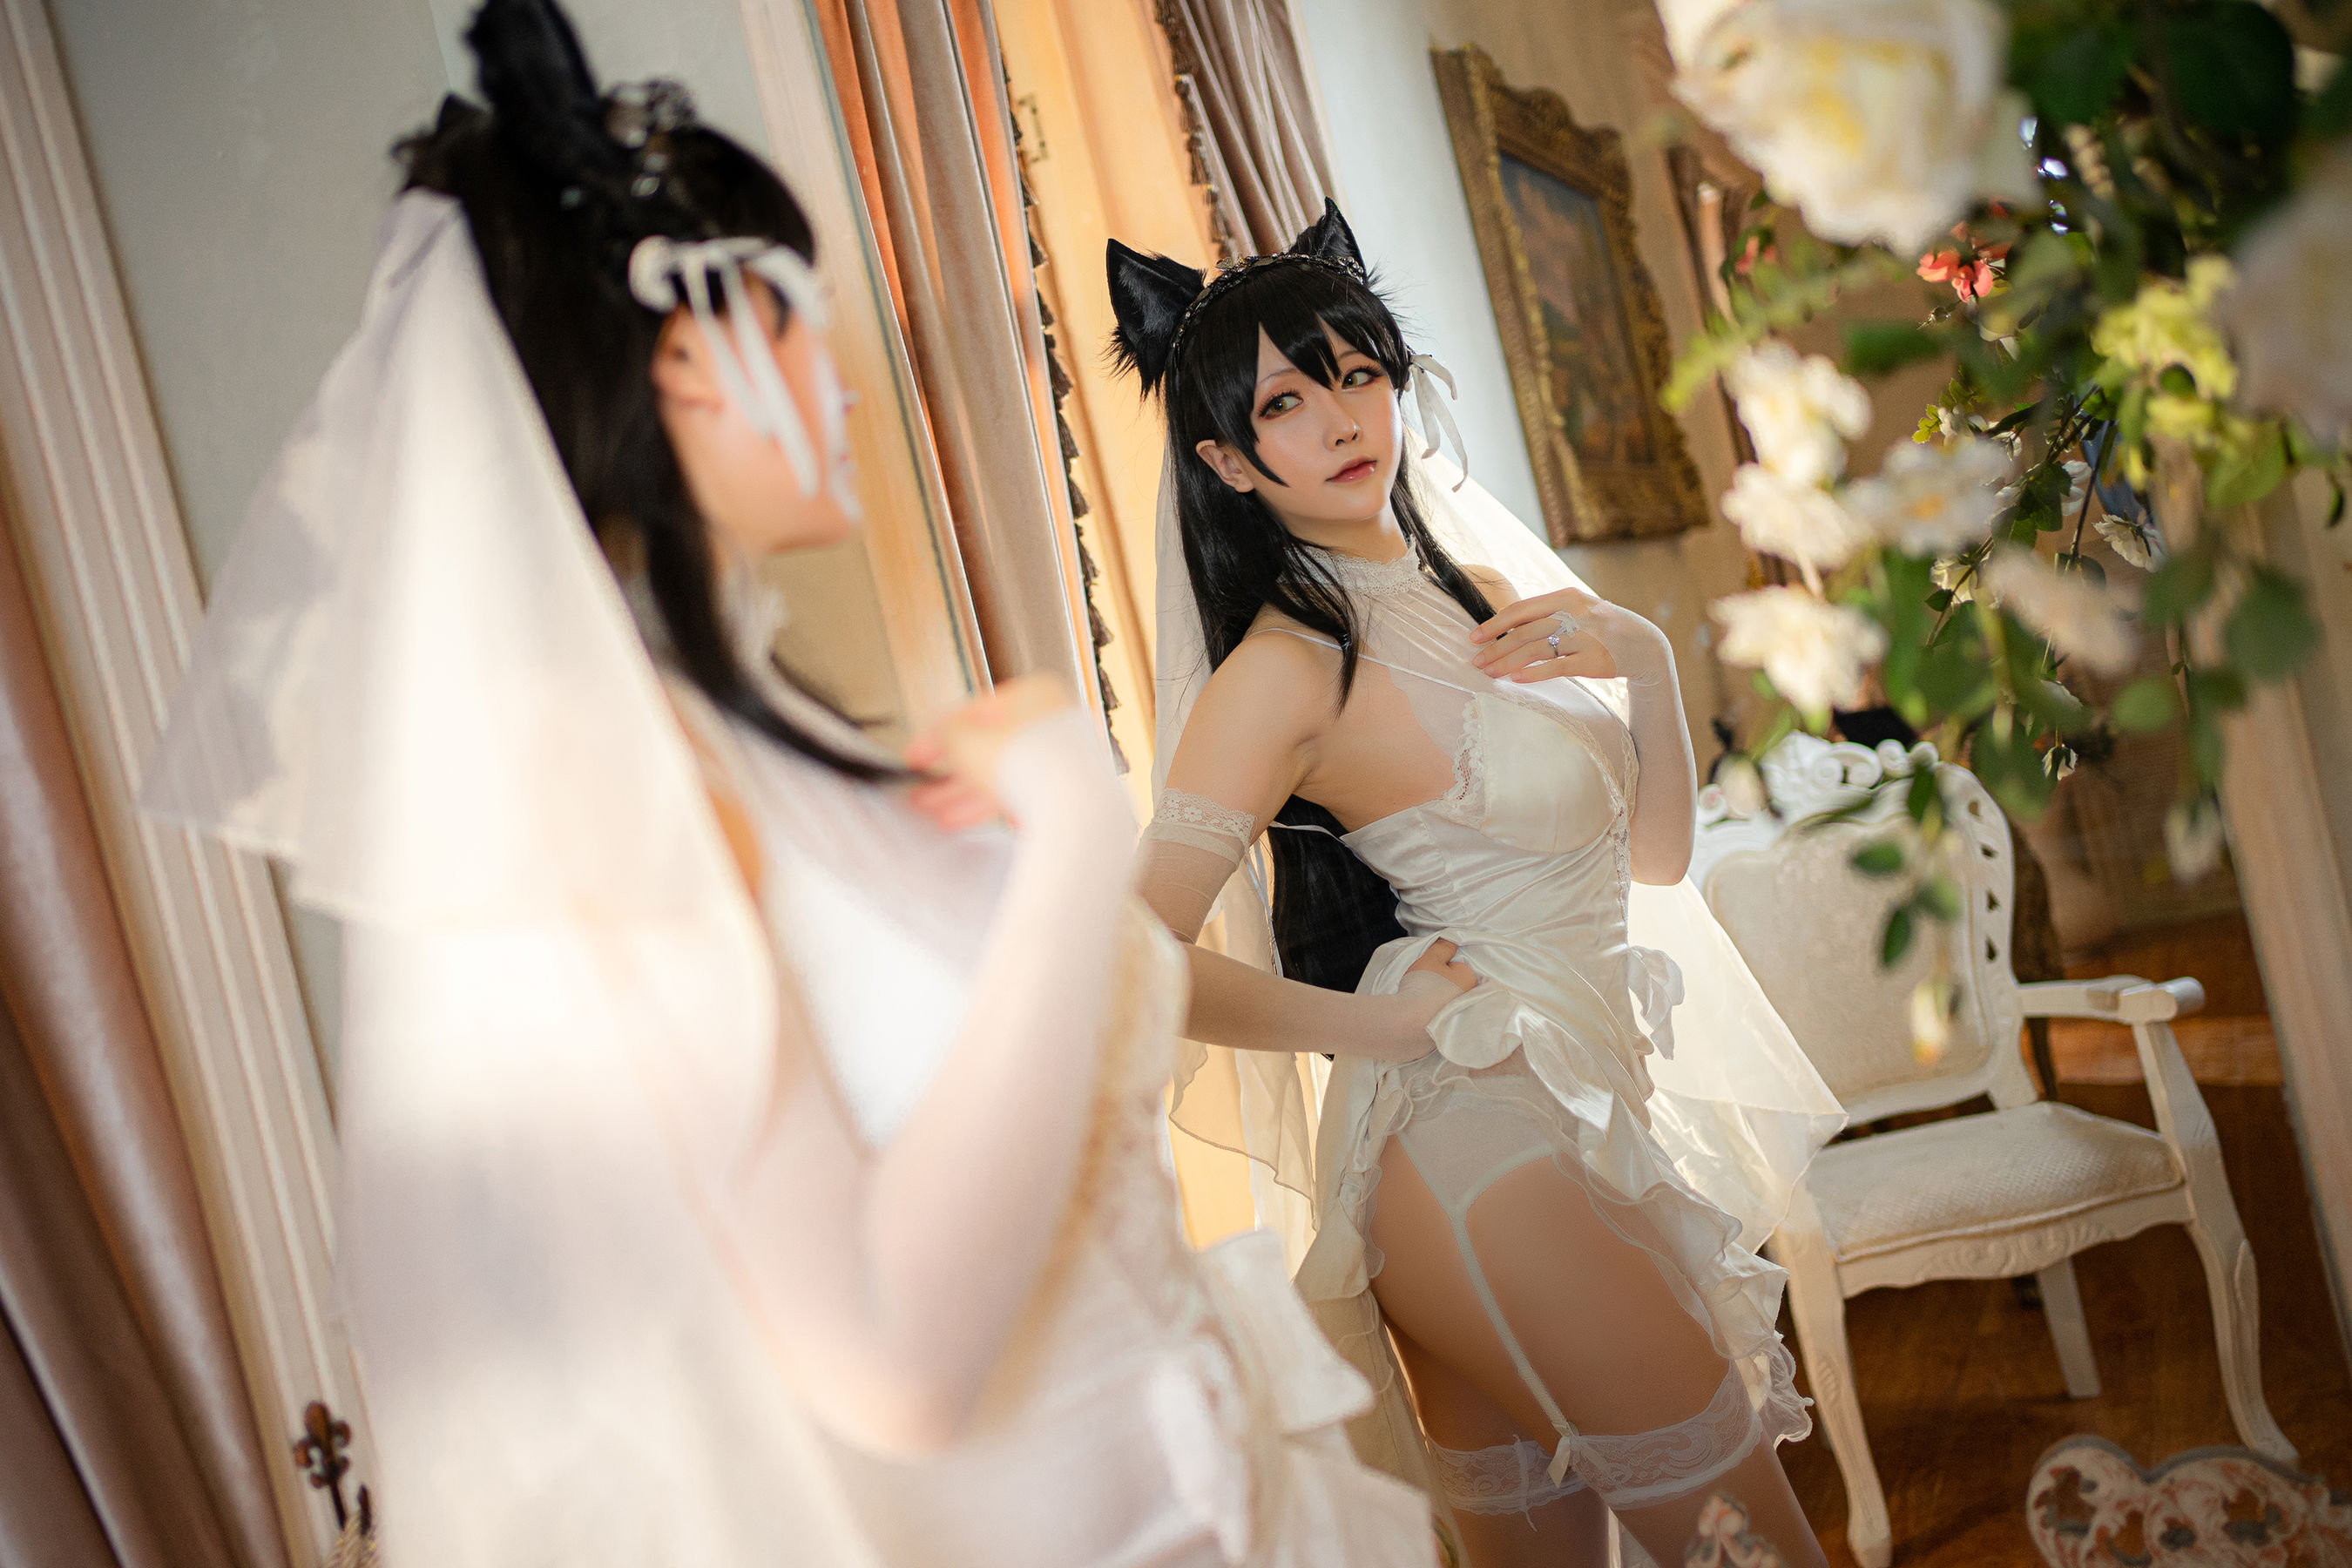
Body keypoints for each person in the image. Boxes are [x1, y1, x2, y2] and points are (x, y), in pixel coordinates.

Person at [141, 5, 1439, 1565]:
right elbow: (888, 1359)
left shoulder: (774, 742)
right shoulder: (612, 801)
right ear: (680, 360)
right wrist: (1062, 844)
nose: (840, 384)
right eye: (795, 324)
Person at [1111, 205, 1846, 1568]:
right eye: (1285, 402)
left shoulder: (1484, 588)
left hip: (1572, 1108)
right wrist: (1382, 1026)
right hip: (1478, 1144)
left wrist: (1647, 664)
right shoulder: (1284, 668)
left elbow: (1652, 861)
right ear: (1227, 460)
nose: (1343, 417)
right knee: (1754, 1552)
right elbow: (1127, 960)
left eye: (1357, 373)